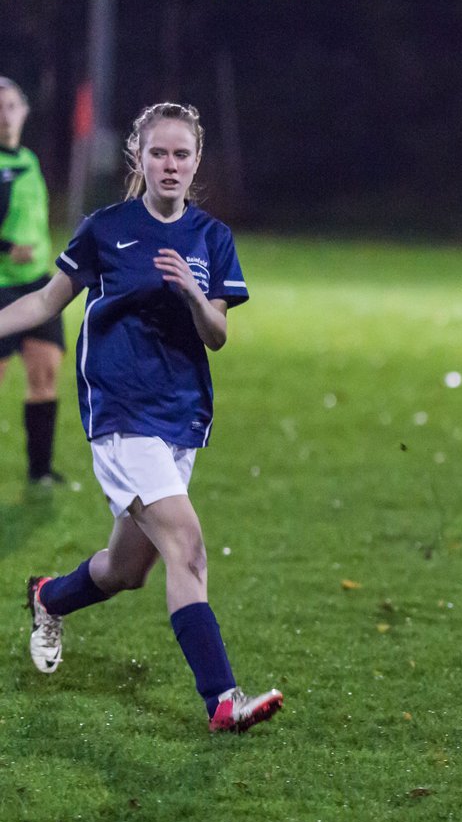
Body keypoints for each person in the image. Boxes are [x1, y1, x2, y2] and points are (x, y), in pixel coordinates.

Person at [0, 102, 282, 733]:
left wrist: (191, 292)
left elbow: (217, 335)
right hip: (121, 412)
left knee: (127, 569)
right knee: (188, 546)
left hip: (181, 416)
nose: (171, 165)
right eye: (159, 153)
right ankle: (222, 700)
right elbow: (47, 300)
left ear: (196, 160)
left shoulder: (212, 237)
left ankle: (49, 596)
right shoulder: (106, 228)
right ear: (139, 158)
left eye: (182, 154)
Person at [0, 76, 64, 485]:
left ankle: (40, 471)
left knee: (45, 376)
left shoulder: (29, 159)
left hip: (38, 284)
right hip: (1, 287)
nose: (4, 116)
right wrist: (6, 248)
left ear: (23, 112)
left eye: (10, 107)